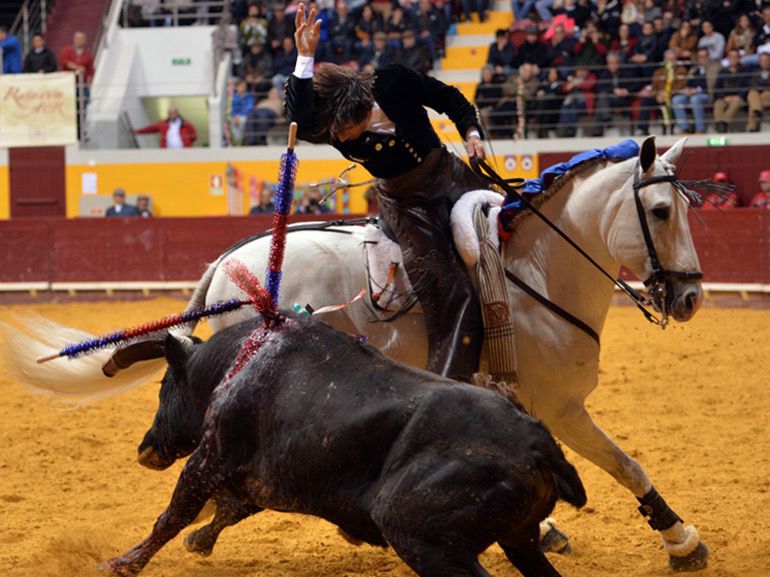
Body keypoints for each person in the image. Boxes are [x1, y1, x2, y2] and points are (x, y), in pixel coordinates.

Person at [285, 3, 489, 383]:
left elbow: (447, 98)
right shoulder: (329, 120)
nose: (341, 139)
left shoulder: (394, 81)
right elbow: (298, 115)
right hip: (407, 205)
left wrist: (471, 132)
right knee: (450, 290)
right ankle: (450, 383)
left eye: (348, 131)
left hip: (451, 176)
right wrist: (304, 58)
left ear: (365, 109)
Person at [671, 48, 711, 134]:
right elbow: (689, 83)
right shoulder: (694, 70)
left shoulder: (713, 69)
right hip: (692, 93)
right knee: (677, 99)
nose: (702, 59)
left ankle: (699, 129)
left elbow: (712, 85)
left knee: (695, 99)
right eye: (700, 57)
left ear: (708, 57)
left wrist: (697, 90)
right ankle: (684, 128)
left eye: (704, 56)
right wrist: (687, 89)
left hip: (706, 94)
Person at [746, 52, 770, 132]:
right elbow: (752, 84)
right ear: (759, 62)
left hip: (767, 94)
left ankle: (752, 127)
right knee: (752, 93)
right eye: (762, 60)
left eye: (766, 60)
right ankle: (757, 110)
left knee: (754, 102)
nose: (764, 62)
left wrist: (761, 89)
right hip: (758, 94)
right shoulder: (755, 72)